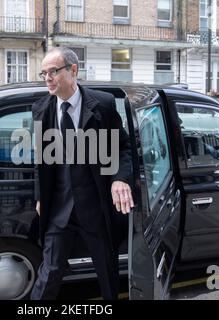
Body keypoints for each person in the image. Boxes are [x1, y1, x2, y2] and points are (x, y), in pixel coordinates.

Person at [30, 47, 134, 300]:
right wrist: (40, 196)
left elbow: (122, 147)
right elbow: (40, 161)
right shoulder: (40, 109)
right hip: (58, 208)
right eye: (44, 73)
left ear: (73, 70)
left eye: (53, 71)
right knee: (50, 272)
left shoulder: (104, 105)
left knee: (107, 273)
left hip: (95, 208)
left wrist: (120, 178)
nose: (47, 78)